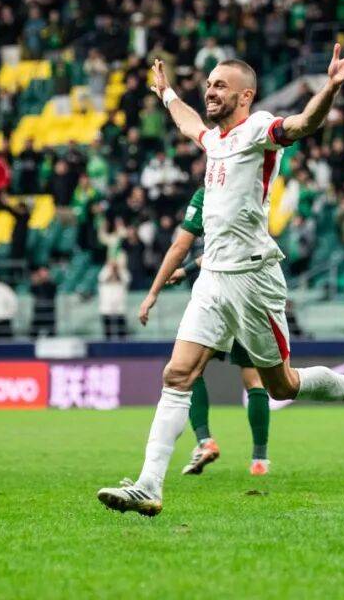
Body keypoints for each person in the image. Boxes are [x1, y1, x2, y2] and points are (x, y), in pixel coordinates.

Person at [98, 46, 344, 517]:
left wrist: (330, 87)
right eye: (208, 85)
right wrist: (166, 93)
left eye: (219, 85)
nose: (210, 91)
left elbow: (303, 124)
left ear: (245, 95)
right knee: (177, 374)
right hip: (213, 279)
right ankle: (148, 485)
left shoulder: (259, 129)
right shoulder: (215, 140)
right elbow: (189, 124)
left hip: (253, 279)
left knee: (282, 385)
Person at [139, 186, 273, 477]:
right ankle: (259, 460)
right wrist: (187, 270)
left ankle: (204, 441)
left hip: (218, 295)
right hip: (251, 293)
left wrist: (154, 292)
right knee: (254, 381)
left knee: (187, 370)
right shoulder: (251, 190)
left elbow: (181, 246)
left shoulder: (207, 194)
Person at [97, 257, 131, 339]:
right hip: (106, 310)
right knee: (107, 333)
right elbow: (101, 277)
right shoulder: (104, 282)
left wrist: (118, 267)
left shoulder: (122, 279)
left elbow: (127, 278)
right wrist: (110, 266)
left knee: (122, 334)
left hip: (120, 310)